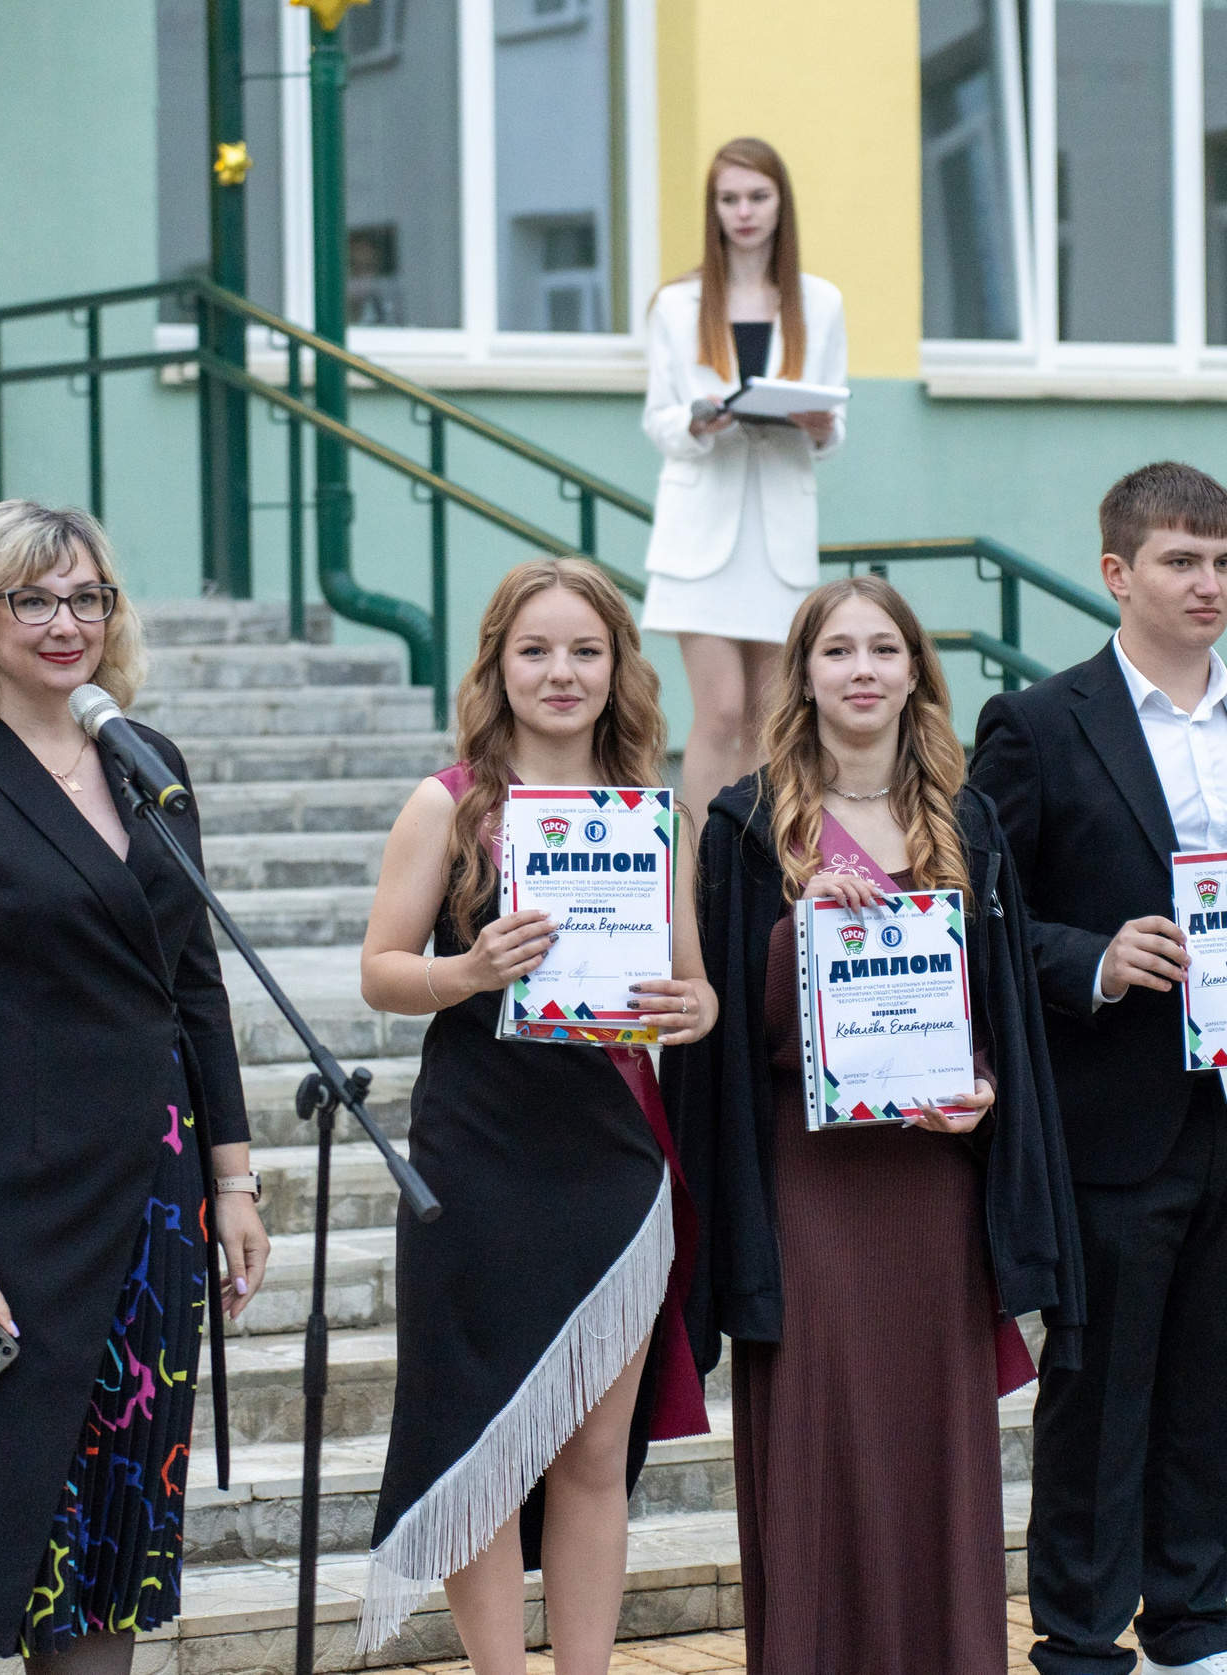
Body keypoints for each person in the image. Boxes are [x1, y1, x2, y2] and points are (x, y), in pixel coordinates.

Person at [0, 501, 272, 1672]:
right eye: (31, 599)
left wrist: (230, 1181)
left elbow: (196, 988)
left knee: (108, 1561)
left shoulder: (150, 766)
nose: (64, 622)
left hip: (147, 1206)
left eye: (86, 597)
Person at [970, 462, 1227, 1675]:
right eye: (1182, 561)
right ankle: (1081, 1642)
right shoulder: (1037, 724)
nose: (1208, 584)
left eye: (1225, 560)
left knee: (1210, 1392)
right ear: (1116, 574)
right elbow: (981, 922)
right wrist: (1093, 957)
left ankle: (1193, 1631)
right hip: (1111, 1116)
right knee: (1095, 1398)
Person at [666, 575, 1084, 1675]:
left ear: (914, 672)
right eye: (838, 651)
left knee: (933, 1455)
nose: (862, 670)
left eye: (883, 650)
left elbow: (992, 1004)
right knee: (819, 1447)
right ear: (801, 674)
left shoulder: (967, 820)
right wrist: (797, 940)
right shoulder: (750, 823)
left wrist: (985, 1086)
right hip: (807, 1184)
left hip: (934, 1182)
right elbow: (717, 1043)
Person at [356, 556, 716, 1673]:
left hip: (612, 1160)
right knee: (483, 1442)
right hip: (478, 1157)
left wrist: (688, 1005)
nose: (560, 673)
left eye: (584, 651)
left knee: (594, 1457)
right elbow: (378, 970)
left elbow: (694, 992)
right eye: (535, 651)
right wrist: (465, 974)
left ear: (618, 669)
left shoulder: (655, 817)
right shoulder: (449, 801)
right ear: (497, 666)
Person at [640, 137, 847, 812]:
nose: (744, 211)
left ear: (781, 202)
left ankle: (755, 863)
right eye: (729, 199)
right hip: (700, 533)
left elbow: (833, 417)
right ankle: (698, 864)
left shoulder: (819, 302)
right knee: (721, 710)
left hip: (778, 530)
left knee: (769, 717)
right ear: (714, 208)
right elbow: (658, 419)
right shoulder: (677, 304)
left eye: (757, 196)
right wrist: (698, 422)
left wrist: (820, 425)